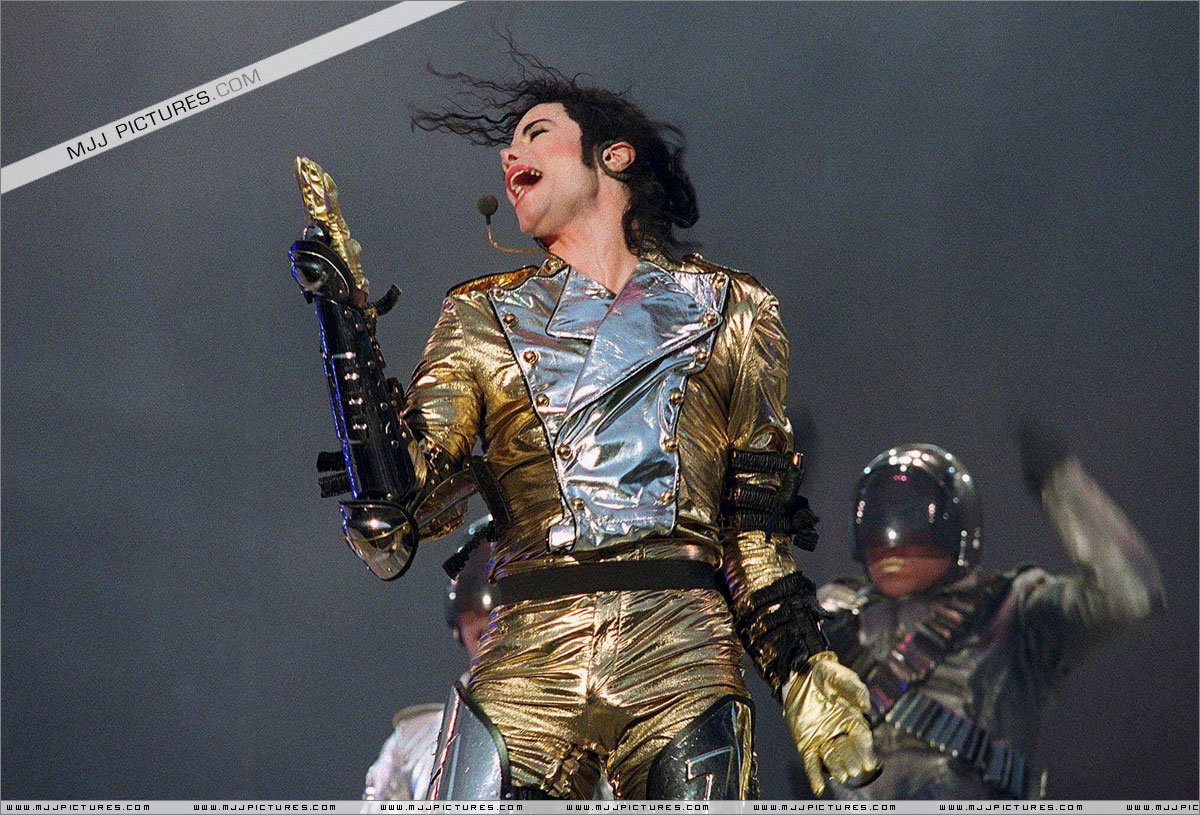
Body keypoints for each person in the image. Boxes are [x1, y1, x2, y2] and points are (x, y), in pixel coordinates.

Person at [291, 51, 878, 800]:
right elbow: (399, 507)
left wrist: (804, 669)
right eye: (507, 147)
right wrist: (344, 320)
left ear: (614, 156)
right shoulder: (479, 316)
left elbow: (755, 530)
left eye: (535, 134)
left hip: (682, 647)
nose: (510, 156)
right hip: (529, 644)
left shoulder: (735, 311)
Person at [817, 423, 1165, 799]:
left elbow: (1129, 595)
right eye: (877, 520)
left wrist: (1062, 483)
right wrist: (769, 507)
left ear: (954, 529)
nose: (892, 540)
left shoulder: (1014, 608)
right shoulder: (835, 615)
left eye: (913, 519)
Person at [361, 518, 497, 804]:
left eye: (504, 597)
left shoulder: (586, 728)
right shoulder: (410, 746)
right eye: (471, 596)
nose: (490, 615)